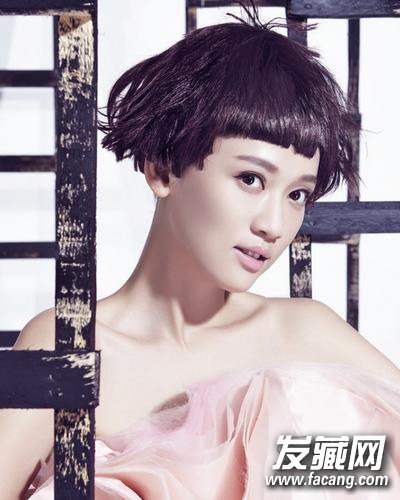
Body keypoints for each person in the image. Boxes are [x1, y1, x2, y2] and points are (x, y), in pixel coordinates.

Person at [3, 4, 399, 499]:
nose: (274, 225)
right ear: (162, 168)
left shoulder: (304, 333)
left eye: (297, 194)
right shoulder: (72, 343)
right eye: (250, 179)